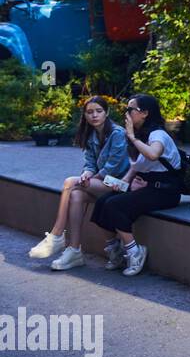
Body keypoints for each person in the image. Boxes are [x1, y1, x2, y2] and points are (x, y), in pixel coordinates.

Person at [87, 94, 185, 276]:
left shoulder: (157, 135)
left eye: (130, 109)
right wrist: (123, 183)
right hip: (149, 188)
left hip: (165, 191)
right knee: (102, 202)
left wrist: (132, 137)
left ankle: (135, 251)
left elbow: (153, 154)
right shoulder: (142, 136)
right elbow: (136, 167)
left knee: (114, 205)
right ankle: (115, 251)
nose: (126, 113)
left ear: (145, 113)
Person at [30, 97, 130, 268]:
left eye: (98, 111)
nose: (94, 115)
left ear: (107, 112)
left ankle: (56, 235)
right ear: (85, 115)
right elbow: (90, 162)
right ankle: (74, 251)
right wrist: (86, 174)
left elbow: (113, 167)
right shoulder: (91, 134)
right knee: (76, 195)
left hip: (120, 185)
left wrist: (91, 178)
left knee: (70, 182)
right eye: (90, 112)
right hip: (101, 183)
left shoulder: (117, 133)